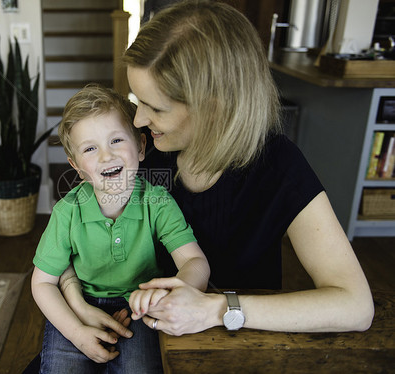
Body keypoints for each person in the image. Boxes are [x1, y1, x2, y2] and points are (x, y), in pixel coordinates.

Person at [58, 0, 373, 351]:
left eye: (155, 107)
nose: (137, 121)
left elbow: (355, 306)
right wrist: (79, 305)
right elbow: (66, 243)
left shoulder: (278, 164)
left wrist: (219, 309)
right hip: (134, 331)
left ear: (213, 106)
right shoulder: (136, 153)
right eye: (138, 100)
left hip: (233, 347)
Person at [31, 84, 210, 373]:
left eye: (116, 140)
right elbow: (42, 283)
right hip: (78, 305)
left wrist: (165, 294)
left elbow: (195, 262)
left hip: (139, 305)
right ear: (77, 167)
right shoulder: (68, 212)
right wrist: (76, 332)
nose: (106, 156)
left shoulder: (158, 202)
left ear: (140, 147)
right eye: (90, 148)